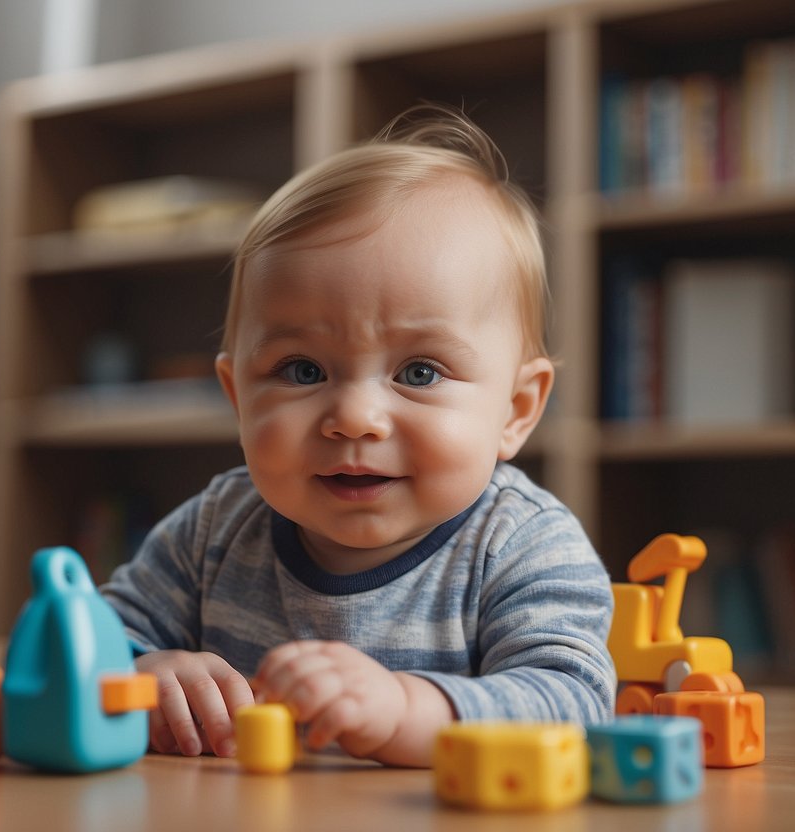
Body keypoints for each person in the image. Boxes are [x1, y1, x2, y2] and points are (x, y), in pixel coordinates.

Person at [100, 104, 616, 768]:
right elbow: (83, 643)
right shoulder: (213, 532)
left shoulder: (521, 545)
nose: (354, 417)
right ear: (238, 399)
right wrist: (143, 670)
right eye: (302, 370)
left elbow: (573, 702)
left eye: (419, 371)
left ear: (515, 409)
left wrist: (408, 710)